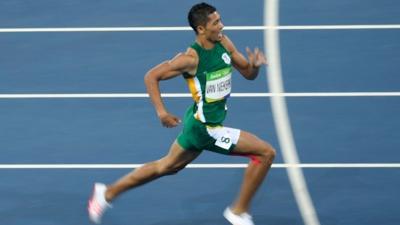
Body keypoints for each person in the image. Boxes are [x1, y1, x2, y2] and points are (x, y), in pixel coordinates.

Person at [88, 2, 276, 225]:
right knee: (265, 153)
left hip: (197, 120)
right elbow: (151, 76)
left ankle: (107, 193)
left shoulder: (224, 42)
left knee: (166, 166)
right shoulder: (190, 60)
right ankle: (238, 211)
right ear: (201, 29)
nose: (222, 25)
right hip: (206, 129)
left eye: (220, 20)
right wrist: (162, 112)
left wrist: (254, 66)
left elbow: (247, 73)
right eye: (216, 23)